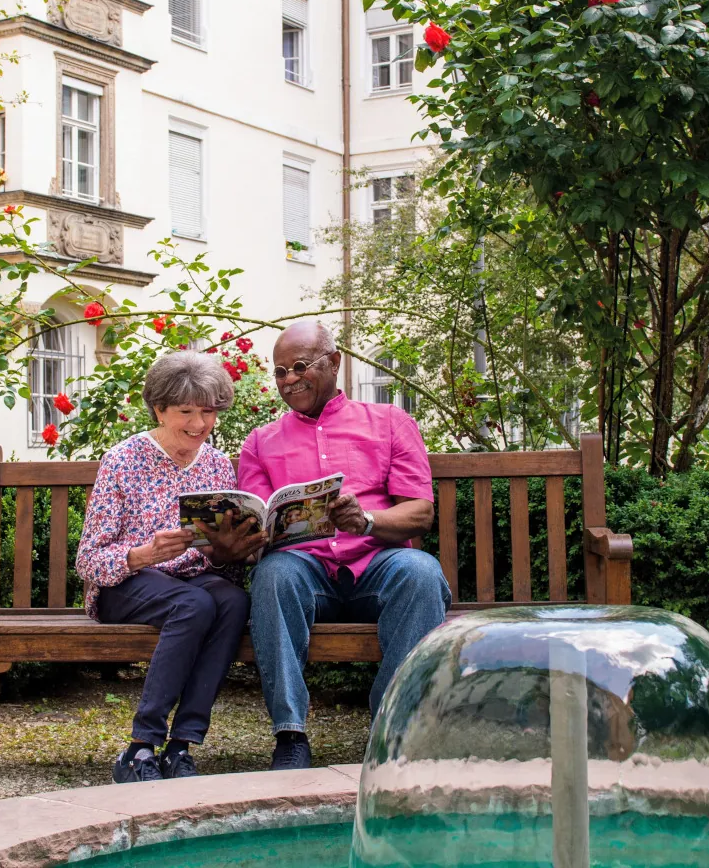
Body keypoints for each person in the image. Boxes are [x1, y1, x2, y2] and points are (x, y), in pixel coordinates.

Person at [232, 320, 451, 771]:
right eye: (279, 372)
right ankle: (290, 736)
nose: (288, 380)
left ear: (333, 362)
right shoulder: (261, 442)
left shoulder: (391, 422)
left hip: (377, 565)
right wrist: (247, 539)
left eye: (298, 366)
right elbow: (255, 521)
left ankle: (389, 731)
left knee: (422, 572)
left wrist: (366, 520)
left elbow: (420, 513)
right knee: (272, 573)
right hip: (304, 572)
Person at [74, 350, 253, 783]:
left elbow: (216, 556)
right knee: (193, 605)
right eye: (185, 412)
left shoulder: (213, 463)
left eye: (208, 412)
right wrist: (142, 555)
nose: (198, 424)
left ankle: (181, 745)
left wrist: (232, 546)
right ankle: (140, 746)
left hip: (192, 580)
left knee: (231, 602)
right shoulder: (123, 460)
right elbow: (89, 560)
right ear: (159, 409)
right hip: (126, 584)